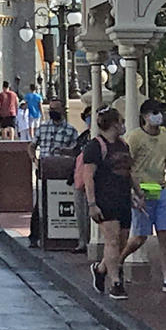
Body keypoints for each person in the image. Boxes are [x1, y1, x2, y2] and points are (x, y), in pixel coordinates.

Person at [119, 100, 166, 293]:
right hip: (141, 191)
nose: (159, 116)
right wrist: (132, 191)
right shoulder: (135, 138)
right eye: (155, 112)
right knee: (139, 237)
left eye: (160, 112)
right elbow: (126, 165)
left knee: (165, 234)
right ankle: (118, 262)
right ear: (145, 116)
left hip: (161, 190)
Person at [84, 107, 135, 301]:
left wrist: (137, 194)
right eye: (121, 122)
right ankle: (115, 282)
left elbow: (129, 172)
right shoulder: (95, 146)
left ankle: (101, 268)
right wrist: (92, 203)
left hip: (123, 198)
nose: (123, 125)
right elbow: (88, 176)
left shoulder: (123, 145)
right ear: (114, 123)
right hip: (105, 199)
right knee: (112, 241)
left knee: (122, 242)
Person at [27, 96, 79, 247]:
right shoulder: (43, 128)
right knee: (40, 204)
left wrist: (65, 152)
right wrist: (35, 160)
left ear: (62, 110)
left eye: (55, 109)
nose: (52, 112)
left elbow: (76, 151)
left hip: (61, 172)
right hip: (44, 169)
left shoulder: (70, 130)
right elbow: (31, 146)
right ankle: (34, 237)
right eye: (50, 110)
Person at [71, 105, 92, 254]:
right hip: (80, 180)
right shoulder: (83, 137)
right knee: (81, 212)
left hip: (97, 181)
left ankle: (93, 242)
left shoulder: (102, 139)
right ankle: (82, 241)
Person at [22, 78, 43, 143]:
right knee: (37, 127)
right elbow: (40, 106)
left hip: (30, 113)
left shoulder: (27, 96)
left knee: (31, 126)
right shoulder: (39, 96)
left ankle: (32, 138)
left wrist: (24, 112)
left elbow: (26, 105)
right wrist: (42, 114)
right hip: (37, 113)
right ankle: (37, 137)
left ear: (30, 89)